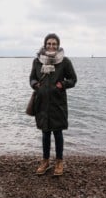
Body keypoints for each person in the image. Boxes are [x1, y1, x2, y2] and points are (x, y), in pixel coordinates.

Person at [29, 33, 77, 176]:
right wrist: (36, 85)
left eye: (54, 44)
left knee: (58, 132)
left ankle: (59, 162)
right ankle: (45, 161)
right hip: (42, 102)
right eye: (49, 43)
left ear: (58, 45)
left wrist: (62, 84)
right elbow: (31, 78)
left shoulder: (65, 62)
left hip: (58, 102)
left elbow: (73, 79)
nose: (51, 46)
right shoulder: (37, 61)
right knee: (45, 133)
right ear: (45, 45)